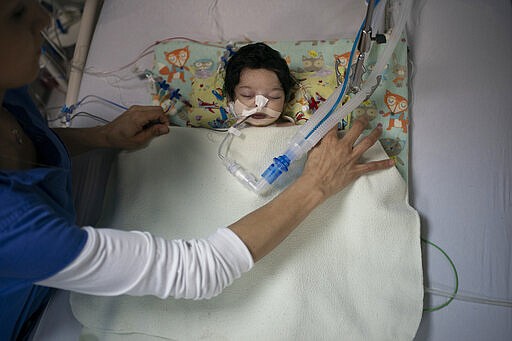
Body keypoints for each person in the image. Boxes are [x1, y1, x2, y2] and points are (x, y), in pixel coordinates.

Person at [0, 1, 394, 339]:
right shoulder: (10, 226)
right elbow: (195, 272)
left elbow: (27, 144)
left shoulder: (9, 86)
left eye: (274, 96)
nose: (41, 16)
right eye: (17, 13)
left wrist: (102, 136)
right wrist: (315, 185)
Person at [223, 42, 296, 127]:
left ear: (285, 101)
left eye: (274, 96)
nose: (260, 104)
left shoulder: (297, 133)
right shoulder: (218, 135)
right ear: (230, 99)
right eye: (247, 95)